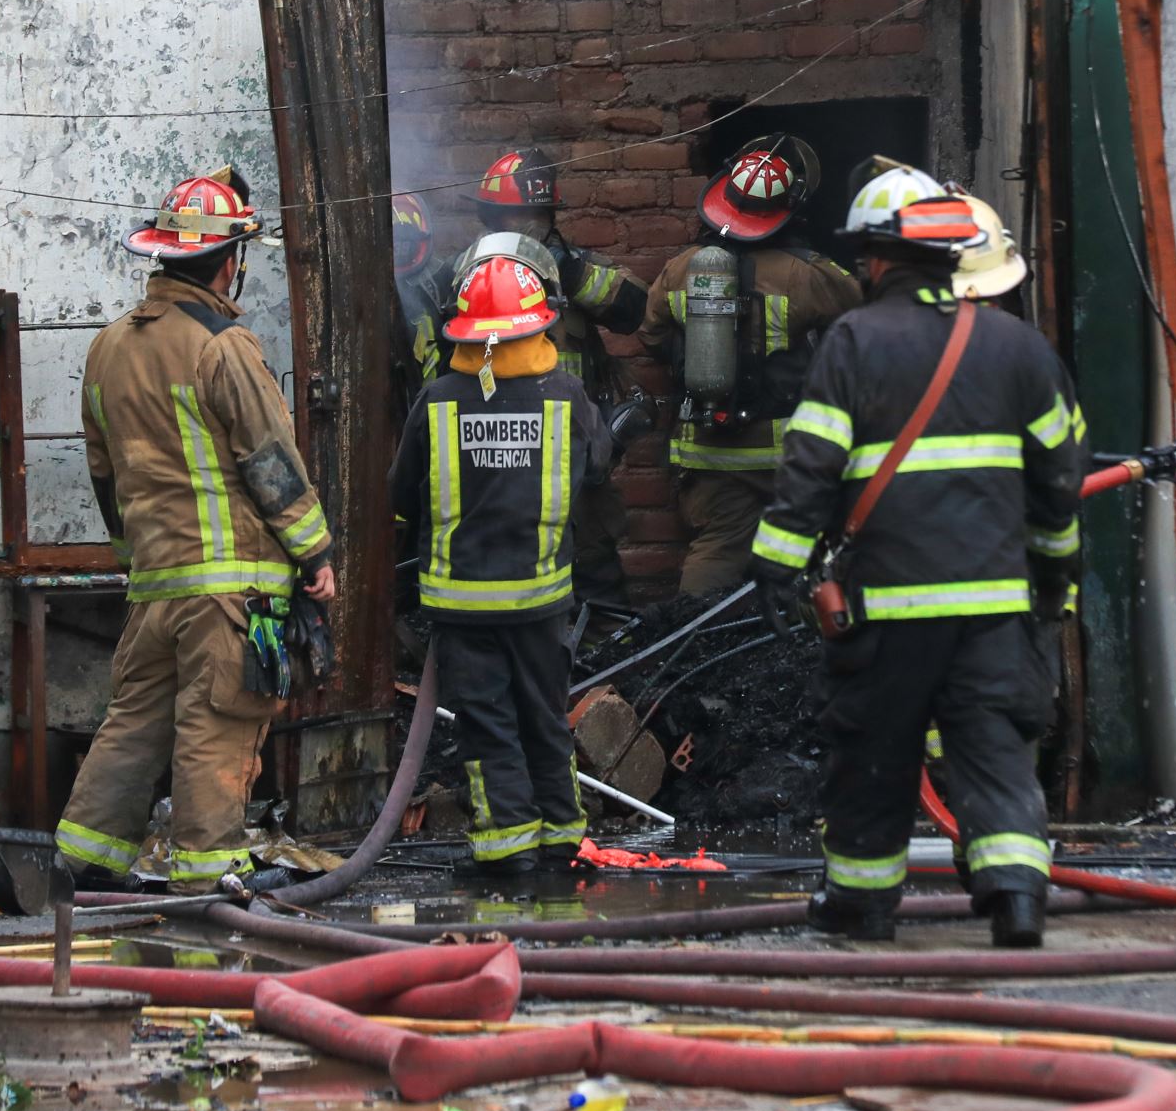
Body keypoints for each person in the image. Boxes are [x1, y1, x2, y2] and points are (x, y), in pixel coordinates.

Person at [748, 171, 1085, 947]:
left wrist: (775, 567)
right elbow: (1060, 484)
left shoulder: (856, 343)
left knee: (876, 756)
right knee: (995, 747)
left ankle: (862, 906)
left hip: (889, 612)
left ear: (876, 260)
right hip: (995, 608)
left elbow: (810, 467)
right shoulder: (1019, 348)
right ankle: (1016, 896)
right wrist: (1052, 580)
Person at [57, 167, 337, 895]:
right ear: (228, 260)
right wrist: (315, 554)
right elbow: (271, 462)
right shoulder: (223, 346)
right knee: (218, 729)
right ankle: (208, 890)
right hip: (229, 592)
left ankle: (78, 863)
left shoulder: (108, 349)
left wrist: (137, 557)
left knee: (133, 726)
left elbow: (104, 474)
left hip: (155, 585)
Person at [390, 237, 613, 874]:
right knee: (545, 716)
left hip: (461, 608)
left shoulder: (435, 402)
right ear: (538, 323)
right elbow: (597, 468)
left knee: (488, 727)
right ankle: (562, 836)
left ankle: (507, 847)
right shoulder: (567, 396)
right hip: (541, 604)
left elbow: (400, 494)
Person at [637, 134, 862, 595]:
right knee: (810, 551)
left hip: (706, 448)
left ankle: (690, 645)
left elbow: (652, 336)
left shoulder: (680, 268)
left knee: (717, 549)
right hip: (787, 455)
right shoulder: (809, 275)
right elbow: (864, 323)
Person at [463, 148, 648, 607]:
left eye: (533, 215)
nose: (523, 226)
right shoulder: (470, 275)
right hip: (499, 443)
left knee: (593, 556)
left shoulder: (572, 267)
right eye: (511, 216)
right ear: (490, 218)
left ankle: (606, 656)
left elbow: (633, 308)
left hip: (574, 445)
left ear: (549, 217)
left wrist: (568, 270)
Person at [389, 190, 448, 400]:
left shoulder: (441, 278)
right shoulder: (371, 288)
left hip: (435, 394)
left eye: (405, 242)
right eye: (395, 243)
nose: (400, 250)